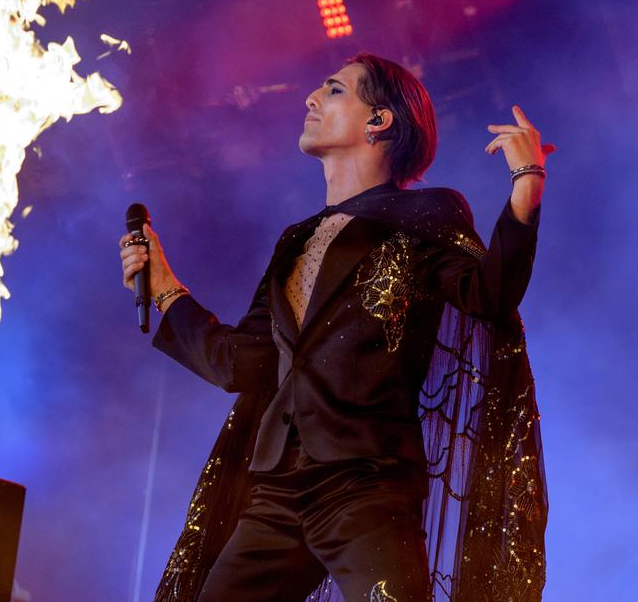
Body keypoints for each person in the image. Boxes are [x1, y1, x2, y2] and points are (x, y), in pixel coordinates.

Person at [119, 53, 554, 602]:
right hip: (276, 491)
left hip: (366, 483)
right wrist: (163, 287)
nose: (310, 99)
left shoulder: (427, 214)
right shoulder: (294, 241)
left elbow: (488, 296)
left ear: (380, 121)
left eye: (334, 90)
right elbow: (241, 363)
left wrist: (526, 185)